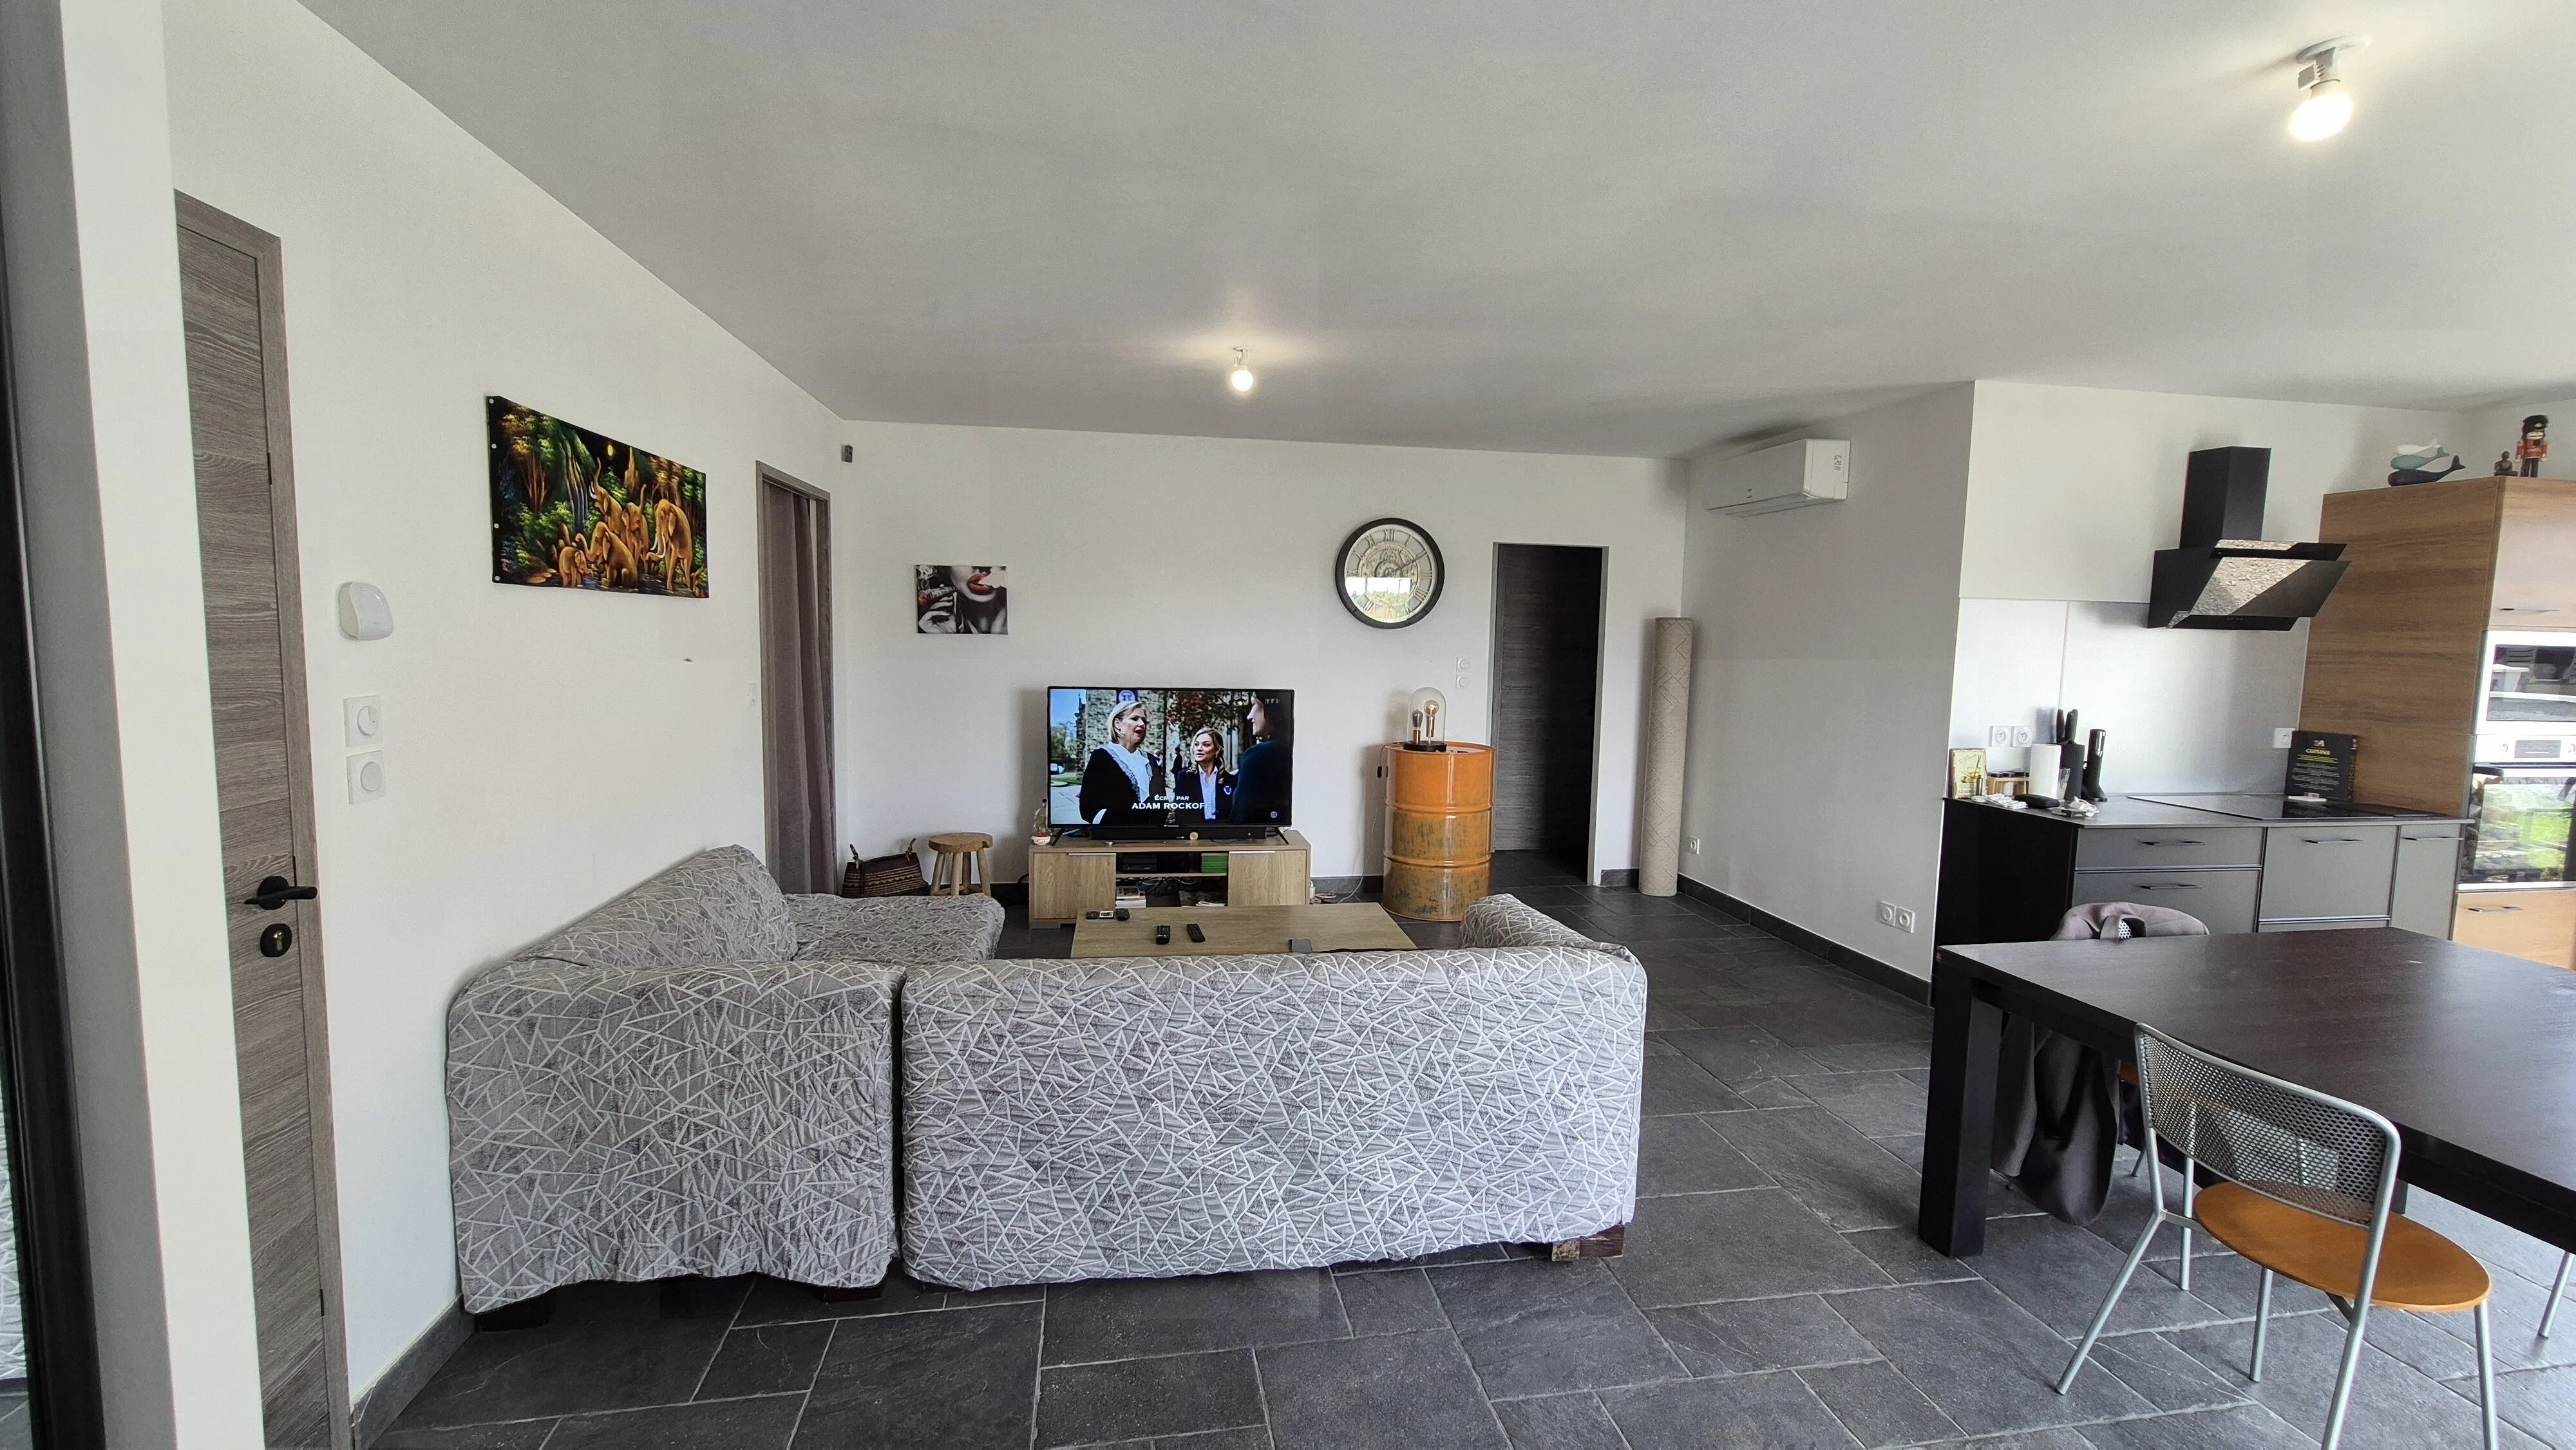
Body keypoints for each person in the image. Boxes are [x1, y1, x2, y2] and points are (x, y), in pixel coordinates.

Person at [1077, 698, 1162, 825]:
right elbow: (1088, 808)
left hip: (1152, 836)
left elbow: (1161, 799)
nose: (1142, 724)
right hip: (1116, 837)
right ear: (1117, 724)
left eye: (1144, 720)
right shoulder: (1102, 757)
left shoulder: (1150, 760)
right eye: (1135, 719)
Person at [1230, 694, 1293, 826]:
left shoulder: (1259, 756)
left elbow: (1241, 819)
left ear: (1269, 712)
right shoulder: (1290, 751)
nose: (1249, 716)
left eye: (1254, 705)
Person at [1172, 728, 1235, 822]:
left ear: (1217, 750)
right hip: (1194, 833)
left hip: (1223, 833)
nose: (1199, 749)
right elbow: (1181, 814)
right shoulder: (1185, 778)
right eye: (1197, 744)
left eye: (1206, 745)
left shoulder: (1230, 780)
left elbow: (1233, 815)